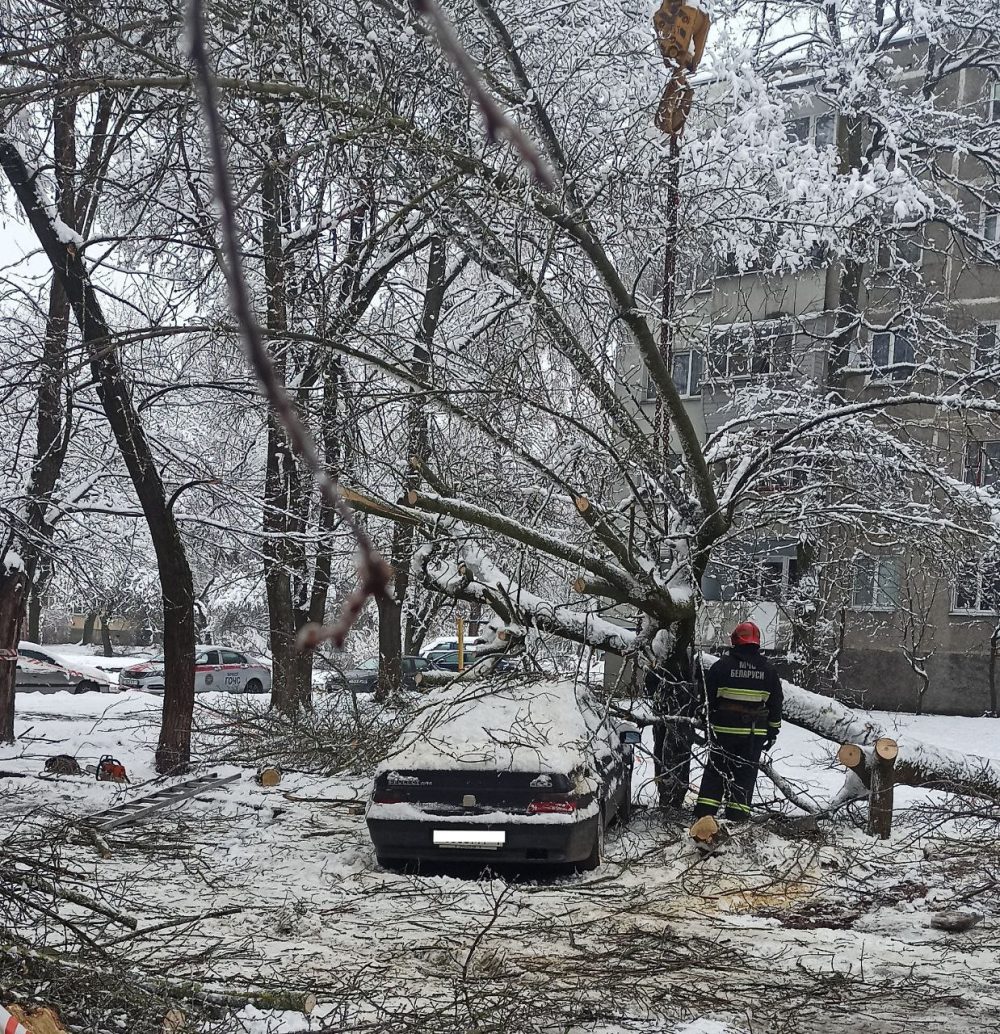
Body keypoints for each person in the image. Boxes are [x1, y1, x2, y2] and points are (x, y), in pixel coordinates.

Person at [692, 621, 782, 824]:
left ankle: (704, 816)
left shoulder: (721, 666)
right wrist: (772, 731)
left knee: (715, 772)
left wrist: (705, 721)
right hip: (753, 734)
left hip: (723, 731)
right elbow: (776, 703)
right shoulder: (768, 670)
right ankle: (738, 817)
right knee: (745, 776)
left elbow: (707, 699)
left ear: (735, 641)